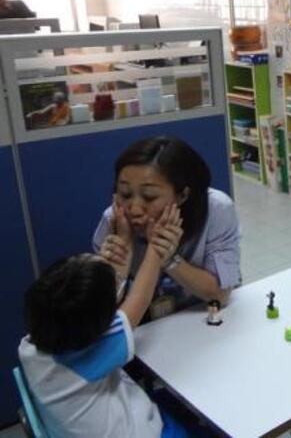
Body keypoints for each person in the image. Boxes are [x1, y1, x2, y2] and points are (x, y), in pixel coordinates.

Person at [18, 209, 198, 436]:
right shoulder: (90, 357)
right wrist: (156, 246)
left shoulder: (35, 342)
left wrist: (123, 242)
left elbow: (101, 303)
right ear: (101, 326)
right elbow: (139, 298)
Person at [93, 136, 241, 319]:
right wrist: (116, 269)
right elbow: (101, 313)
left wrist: (170, 260)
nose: (135, 209)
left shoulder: (217, 210)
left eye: (149, 196)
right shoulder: (115, 220)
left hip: (199, 317)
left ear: (183, 195)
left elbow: (220, 295)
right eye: (125, 194)